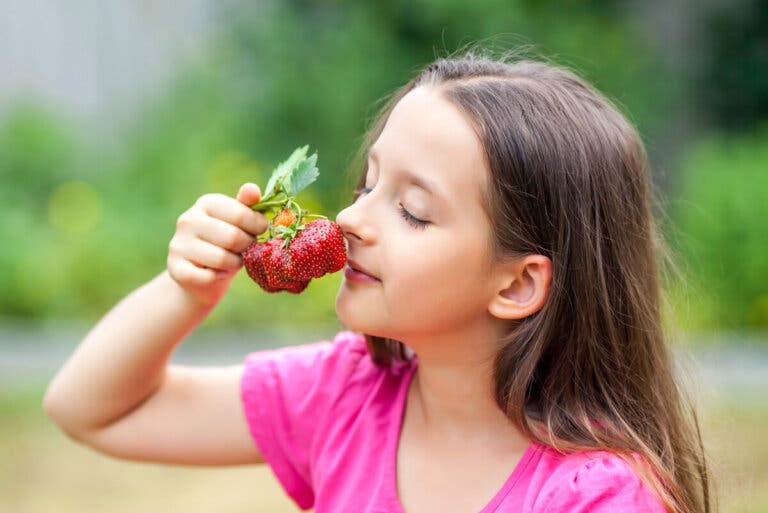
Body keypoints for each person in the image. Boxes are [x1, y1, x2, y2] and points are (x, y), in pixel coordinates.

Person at [44, 49, 713, 513]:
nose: (351, 219)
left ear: (516, 286)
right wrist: (185, 291)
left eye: (413, 211)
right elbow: (87, 408)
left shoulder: (595, 496)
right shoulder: (347, 397)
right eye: (367, 182)